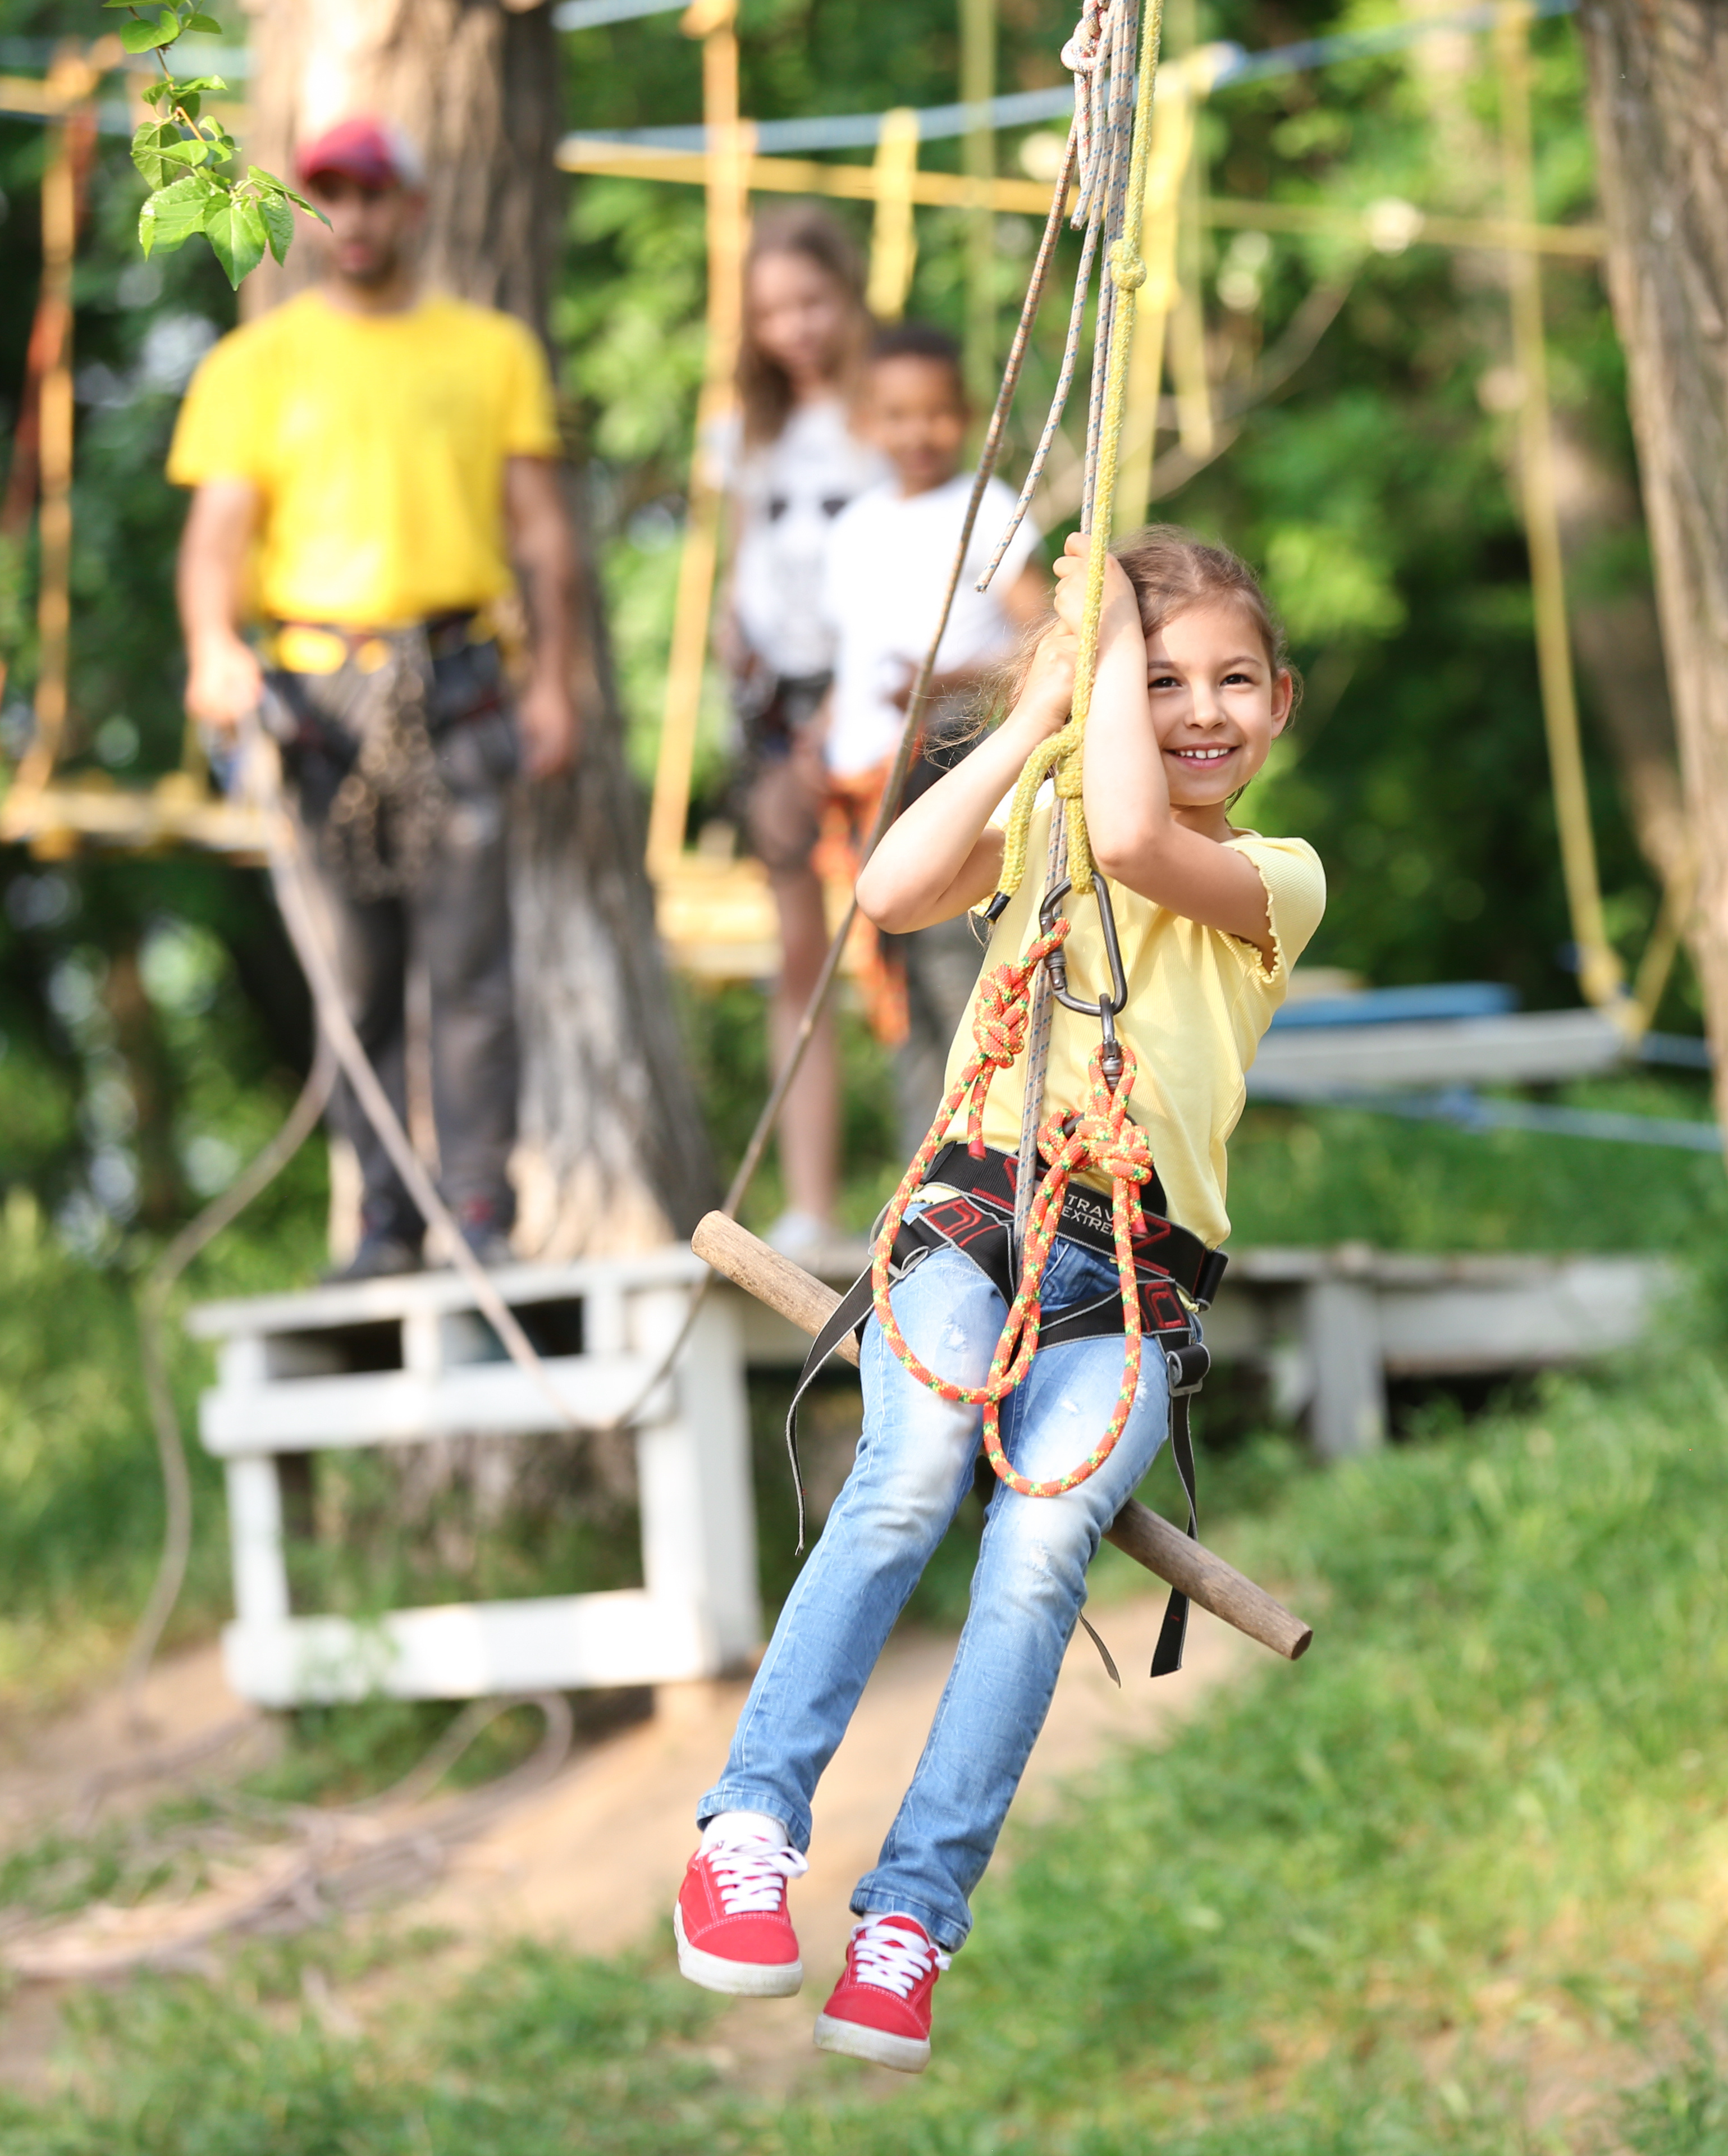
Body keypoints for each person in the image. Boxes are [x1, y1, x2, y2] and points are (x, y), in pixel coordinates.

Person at [665, 527, 1321, 2074]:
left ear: (1281, 703)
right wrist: (1037, 709)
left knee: (1037, 1559)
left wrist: (1097, 680)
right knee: (905, 1481)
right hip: (976, 1210)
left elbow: (1146, 841)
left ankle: (909, 1922)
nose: (1199, 709)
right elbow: (888, 891)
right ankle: (750, 1826)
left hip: (1135, 1276)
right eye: (1159, 681)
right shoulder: (1046, 811)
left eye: (1233, 681)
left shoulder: (1269, 875)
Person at [170, 114, 581, 1280]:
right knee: (353, 981)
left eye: (373, 194)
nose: (352, 218)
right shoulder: (255, 364)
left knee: (469, 970)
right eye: (330, 196)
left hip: (453, 683)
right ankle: (385, 1228)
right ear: (311, 211)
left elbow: (545, 538)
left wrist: (554, 680)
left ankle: (480, 1214)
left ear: (413, 206)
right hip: (313, 695)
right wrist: (213, 644)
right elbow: (216, 539)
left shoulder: (489, 350)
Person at [813, 321, 1048, 1182]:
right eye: (897, 415)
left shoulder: (991, 511)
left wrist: (953, 677)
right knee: (896, 974)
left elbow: (1046, 637)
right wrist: (824, 743)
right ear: (868, 422)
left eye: (937, 414)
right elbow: (855, 659)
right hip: (872, 778)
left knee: (961, 964)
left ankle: (986, 1166)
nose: (918, 433)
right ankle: (927, 1170)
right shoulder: (857, 527)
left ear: (969, 418)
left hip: (958, 757)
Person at [715, 209, 886, 1255]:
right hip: (774, 699)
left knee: (906, 940)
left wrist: (846, 706)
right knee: (797, 954)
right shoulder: (748, 426)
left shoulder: (887, 413)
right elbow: (743, 552)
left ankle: (943, 1184)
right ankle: (810, 1199)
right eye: (772, 311)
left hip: (867, 696)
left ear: (849, 296)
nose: (796, 328)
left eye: (812, 302)